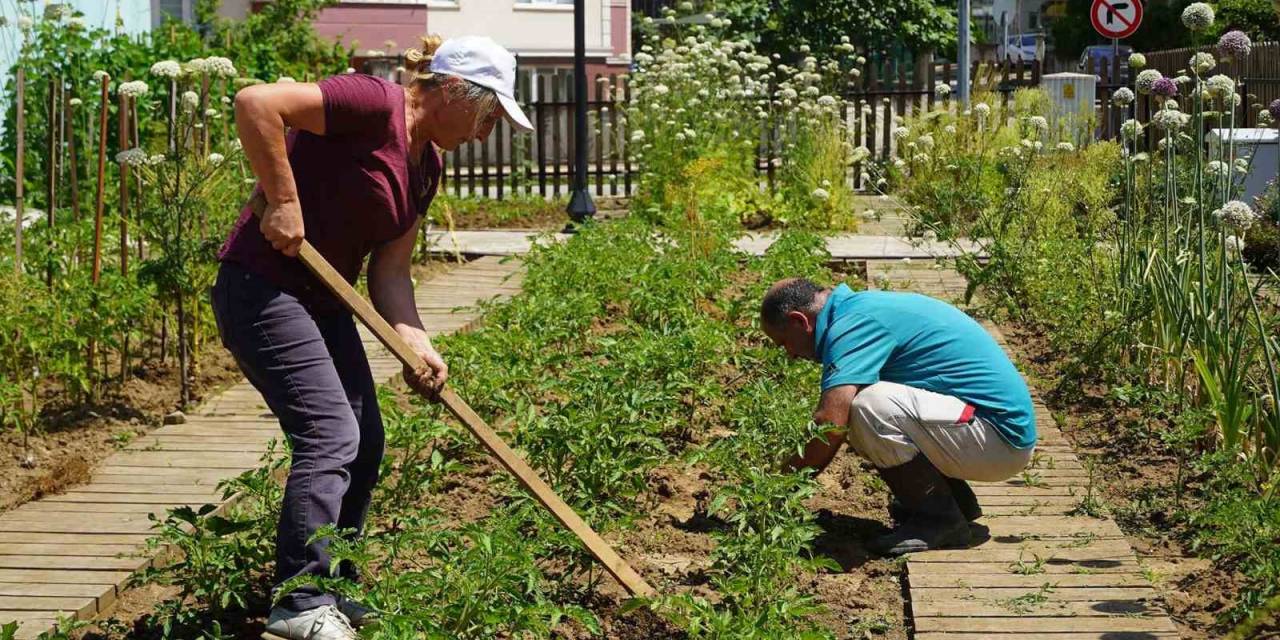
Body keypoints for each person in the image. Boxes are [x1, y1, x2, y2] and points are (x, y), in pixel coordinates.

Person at [212, 35, 533, 640]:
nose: (486, 135)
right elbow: (256, 102)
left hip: (323, 301)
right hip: (262, 289)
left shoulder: (426, 167)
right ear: (455, 92)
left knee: (366, 437)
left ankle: (335, 585)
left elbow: (391, 272)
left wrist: (417, 343)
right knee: (331, 432)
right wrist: (283, 200)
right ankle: (299, 600)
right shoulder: (369, 102)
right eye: (489, 115)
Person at [759, 278, 1037, 556]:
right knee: (866, 403)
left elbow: (830, 423)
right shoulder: (857, 310)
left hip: (999, 440)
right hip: (989, 431)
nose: (791, 354)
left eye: (784, 343)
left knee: (866, 406)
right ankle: (953, 503)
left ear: (799, 321)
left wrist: (778, 489)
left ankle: (938, 520)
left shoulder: (852, 323)